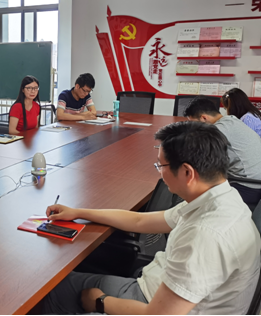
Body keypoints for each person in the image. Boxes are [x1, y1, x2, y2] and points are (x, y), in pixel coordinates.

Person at [41, 121, 260, 315]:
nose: (159, 172)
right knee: (60, 286)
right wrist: (78, 212)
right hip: (160, 289)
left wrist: (100, 302)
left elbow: (157, 314)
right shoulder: (220, 198)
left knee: (48, 295)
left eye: (161, 165)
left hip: (151, 303)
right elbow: (140, 221)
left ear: (187, 172)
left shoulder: (205, 235)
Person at [184, 97, 261, 208]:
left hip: (247, 186)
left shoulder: (217, 130)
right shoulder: (232, 120)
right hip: (255, 181)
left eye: (194, 124)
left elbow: (196, 155)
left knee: (197, 194)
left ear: (203, 118)